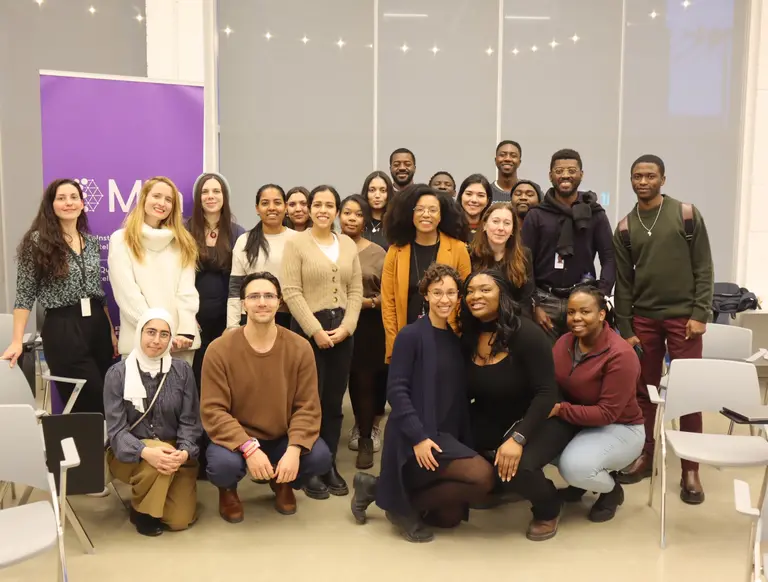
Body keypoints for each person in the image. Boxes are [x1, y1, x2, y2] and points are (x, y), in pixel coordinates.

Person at [351, 264, 494, 543]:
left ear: (458, 297)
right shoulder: (410, 335)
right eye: (437, 292)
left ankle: (377, 489)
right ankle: (399, 507)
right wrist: (418, 437)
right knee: (482, 476)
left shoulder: (455, 340)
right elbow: (397, 390)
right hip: (413, 436)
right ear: (426, 295)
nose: (445, 299)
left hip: (445, 434)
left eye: (451, 292)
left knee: (449, 519)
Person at [612, 154, 714, 504]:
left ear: (663, 179)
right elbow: (623, 283)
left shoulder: (685, 214)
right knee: (643, 392)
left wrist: (701, 312)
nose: (643, 181)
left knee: (689, 393)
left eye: (650, 176)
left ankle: (690, 469)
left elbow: (704, 266)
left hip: (685, 319)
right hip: (644, 320)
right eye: (637, 176)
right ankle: (645, 455)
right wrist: (625, 326)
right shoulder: (625, 227)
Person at [202, 272, 332, 521]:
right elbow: (213, 411)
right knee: (222, 466)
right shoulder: (219, 350)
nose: (262, 302)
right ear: (243, 304)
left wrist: (293, 451)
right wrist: (249, 448)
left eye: (269, 296)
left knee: (319, 457)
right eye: (254, 296)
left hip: (281, 436)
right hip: (237, 440)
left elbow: (308, 407)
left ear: (279, 302)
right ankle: (227, 491)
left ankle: (283, 482)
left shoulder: (300, 347)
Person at [461, 269, 576, 541]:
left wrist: (518, 437)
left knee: (520, 464)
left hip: (543, 416)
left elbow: (547, 392)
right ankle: (502, 485)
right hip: (497, 415)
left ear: (502, 294)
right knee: (454, 437)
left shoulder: (527, 334)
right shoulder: (468, 335)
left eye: (485, 289)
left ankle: (548, 507)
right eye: (470, 291)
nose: (475, 296)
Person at [2, 179, 117, 413]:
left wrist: (110, 331)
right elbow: (25, 294)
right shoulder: (36, 242)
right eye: (61, 198)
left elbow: (99, 292)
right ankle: (82, 448)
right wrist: (16, 340)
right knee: (89, 399)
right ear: (51, 204)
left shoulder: (92, 243)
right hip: (63, 328)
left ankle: (102, 450)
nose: (68, 203)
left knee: (107, 395)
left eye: (74, 197)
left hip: (96, 325)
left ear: (83, 203)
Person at [282, 185, 363, 498]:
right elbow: (290, 290)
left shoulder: (346, 244)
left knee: (333, 402)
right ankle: (308, 465)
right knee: (308, 401)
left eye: (330, 205)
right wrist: (315, 330)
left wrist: (347, 328)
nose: (323, 210)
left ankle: (327, 462)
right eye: (318, 204)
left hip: (342, 330)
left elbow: (355, 290)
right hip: (306, 332)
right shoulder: (296, 243)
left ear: (337, 211)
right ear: (309, 209)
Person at [551, 286, 645, 522]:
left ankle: (611, 490)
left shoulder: (620, 355)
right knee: (539, 444)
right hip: (580, 421)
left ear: (602, 314)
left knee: (574, 468)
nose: (576, 318)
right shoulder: (564, 342)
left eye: (585, 311)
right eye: (571, 312)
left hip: (621, 428)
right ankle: (581, 483)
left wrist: (560, 409)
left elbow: (606, 414)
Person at [104, 308, 201, 536]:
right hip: (129, 453)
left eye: (164, 334)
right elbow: (117, 431)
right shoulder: (117, 374)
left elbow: (190, 421)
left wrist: (185, 452)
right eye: (151, 332)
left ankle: (148, 502)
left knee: (178, 521)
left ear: (170, 339)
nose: (156, 341)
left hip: (174, 454)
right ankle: (144, 513)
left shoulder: (182, 371)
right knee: (160, 452)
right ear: (139, 334)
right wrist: (146, 451)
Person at [522, 149, 615, 341]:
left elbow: (609, 257)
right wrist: (534, 304)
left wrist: (601, 295)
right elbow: (524, 262)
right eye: (559, 171)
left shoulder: (595, 213)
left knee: (582, 362)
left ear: (581, 174)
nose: (565, 175)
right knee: (546, 363)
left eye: (572, 170)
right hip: (544, 301)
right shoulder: (537, 214)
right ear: (550, 176)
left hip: (583, 300)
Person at [108, 176, 200, 365]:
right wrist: (156, 333)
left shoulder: (183, 242)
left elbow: (187, 293)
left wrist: (183, 332)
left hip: (179, 345)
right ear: (144, 199)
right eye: (156, 196)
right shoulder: (121, 239)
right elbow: (127, 294)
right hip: (140, 345)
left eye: (169, 200)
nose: (162, 203)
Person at [381, 184, 470, 363]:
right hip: (406, 339)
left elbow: (463, 296)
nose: (426, 215)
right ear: (410, 214)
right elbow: (388, 303)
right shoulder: (396, 251)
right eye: (419, 209)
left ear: (441, 215)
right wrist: (395, 342)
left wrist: (453, 334)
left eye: (432, 210)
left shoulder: (459, 249)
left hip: (447, 337)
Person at [339, 195, 387, 470]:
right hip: (330, 322)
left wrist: (361, 302)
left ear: (365, 220)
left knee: (364, 382)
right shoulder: (327, 247)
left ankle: (366, 438)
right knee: (330, 385)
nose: (351, 218)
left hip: (368, 324)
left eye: (358, 214)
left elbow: (386, 294)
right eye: (347, 213)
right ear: (338, 216)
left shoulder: (377, 252)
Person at [187, 172, 245, 390]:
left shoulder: (238, 234)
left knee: (224, 376)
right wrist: (187, 316)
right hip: (194, 318)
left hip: (225, 319)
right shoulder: (185, 231)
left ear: (225, 196)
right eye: (205, 192)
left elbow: (240, 282)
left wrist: (233, 323)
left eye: (216, 191)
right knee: (195, 376)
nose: (210, 196)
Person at [228, 184, 296, 329]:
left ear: (285, 207)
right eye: (265, 203)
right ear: (257, 209)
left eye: (277, 203)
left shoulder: (298, 240)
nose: (271, 208)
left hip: (291, 318)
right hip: (251, 317)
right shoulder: (244, 241)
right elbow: (235, 288)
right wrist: (232, 326)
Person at [470, 202, 534, 316]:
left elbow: (526, 298)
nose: (501, 228)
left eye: (507, 223)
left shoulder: (524, 254)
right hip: (479, 318)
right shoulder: (470, 254)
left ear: (513, 230)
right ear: (484, 225)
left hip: (514, 318)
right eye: (495, 221)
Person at [361, 171, 393, 250]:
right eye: (372, 190)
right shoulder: (359, 221)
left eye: (383, 191)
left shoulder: (394, 223)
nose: (377, 195)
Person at [457, 174, 493, 241]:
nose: (474, 200)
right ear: (461, 196)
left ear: (487, 201)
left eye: (480, 195)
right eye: (469, 194)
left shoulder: (493, 228)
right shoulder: (450, 227)